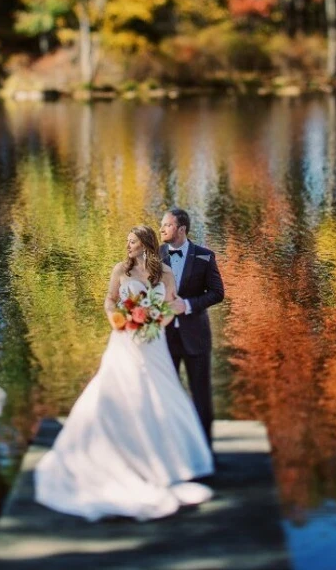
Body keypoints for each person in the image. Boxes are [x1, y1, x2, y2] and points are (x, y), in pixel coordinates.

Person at [34, 225, 214, 521]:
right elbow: (109, 300)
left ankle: (166, 461)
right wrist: (118, 320)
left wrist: (157, 323)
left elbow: (171, 307)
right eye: (128, 242)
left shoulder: (165, 274)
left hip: (153, 342)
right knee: (119, 389)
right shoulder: (121, 269)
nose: (127, 246)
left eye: (132, 242)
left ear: (145, 244)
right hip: (124, 338)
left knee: (160, 392)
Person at [160, 208, 224, 446]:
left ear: (181, 229)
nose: (162, 229)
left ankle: (205, 449)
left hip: (196, 337)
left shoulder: (204, 256)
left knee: (201, 395)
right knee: (166, 394)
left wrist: (186, 305)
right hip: (164, 338)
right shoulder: (155, 255)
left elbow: (217, 293)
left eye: (167, 225)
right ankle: (170, 445)